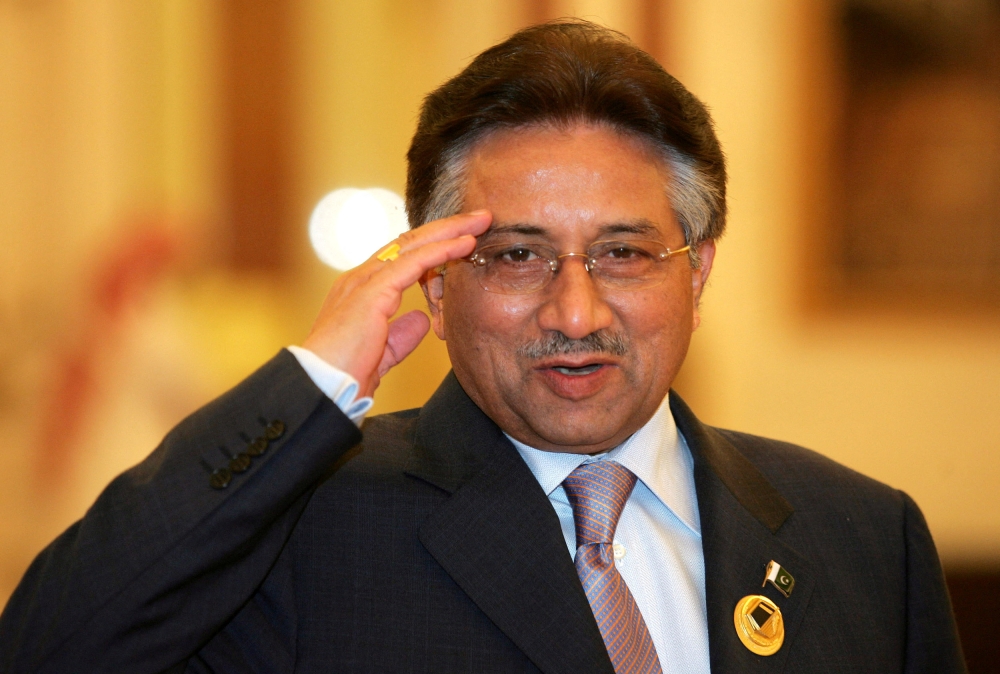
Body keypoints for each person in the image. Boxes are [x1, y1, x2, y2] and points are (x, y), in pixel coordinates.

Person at [0, 20, 965, 674]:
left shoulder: (863, 538)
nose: (575, 313)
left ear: (698, 273)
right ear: (434, 280)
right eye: (517, 256)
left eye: (624, 253)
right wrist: (311, 386)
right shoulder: (302, 526)